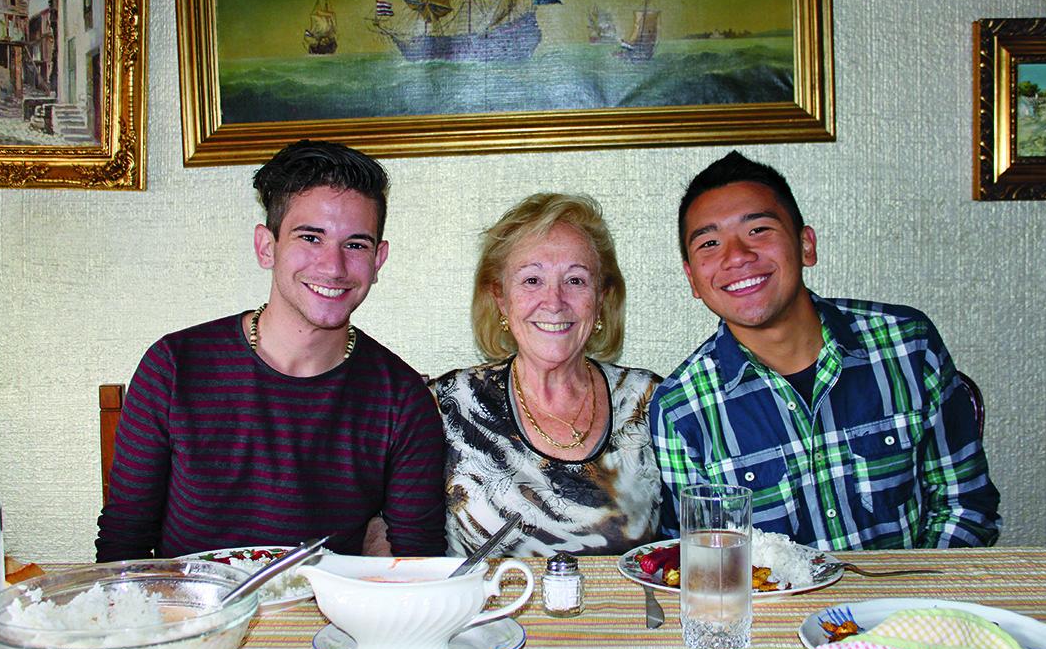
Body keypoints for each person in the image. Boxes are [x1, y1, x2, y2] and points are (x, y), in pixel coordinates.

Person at [95, 140, 446, 561]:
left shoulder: (402, 398)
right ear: (267, 247)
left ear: (378, 260)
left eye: (356, 245)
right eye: (311, 237)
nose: (333, 266)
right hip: (193, 615)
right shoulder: (174, 367)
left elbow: (416, 562)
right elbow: (123, 545)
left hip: (327, 622)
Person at [651, 151, 1000, 550]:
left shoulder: (908, 345)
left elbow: (964, 505)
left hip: (906, 608)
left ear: (806, 245)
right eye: (710, 243)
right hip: (773, 613)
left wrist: (915, 607)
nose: (737, 256)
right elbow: (705, 562)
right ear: (693, 278)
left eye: (759, 230)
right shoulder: (681, 407)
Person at [432, 193, 661, 557]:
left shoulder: (649, 401)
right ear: (500, 298)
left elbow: (692, 543)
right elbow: (391, 535)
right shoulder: (447, 405)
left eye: (575, 280)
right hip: (479, 614)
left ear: (601, 297)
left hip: (622, 615)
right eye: (532, 280)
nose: (554, 302)